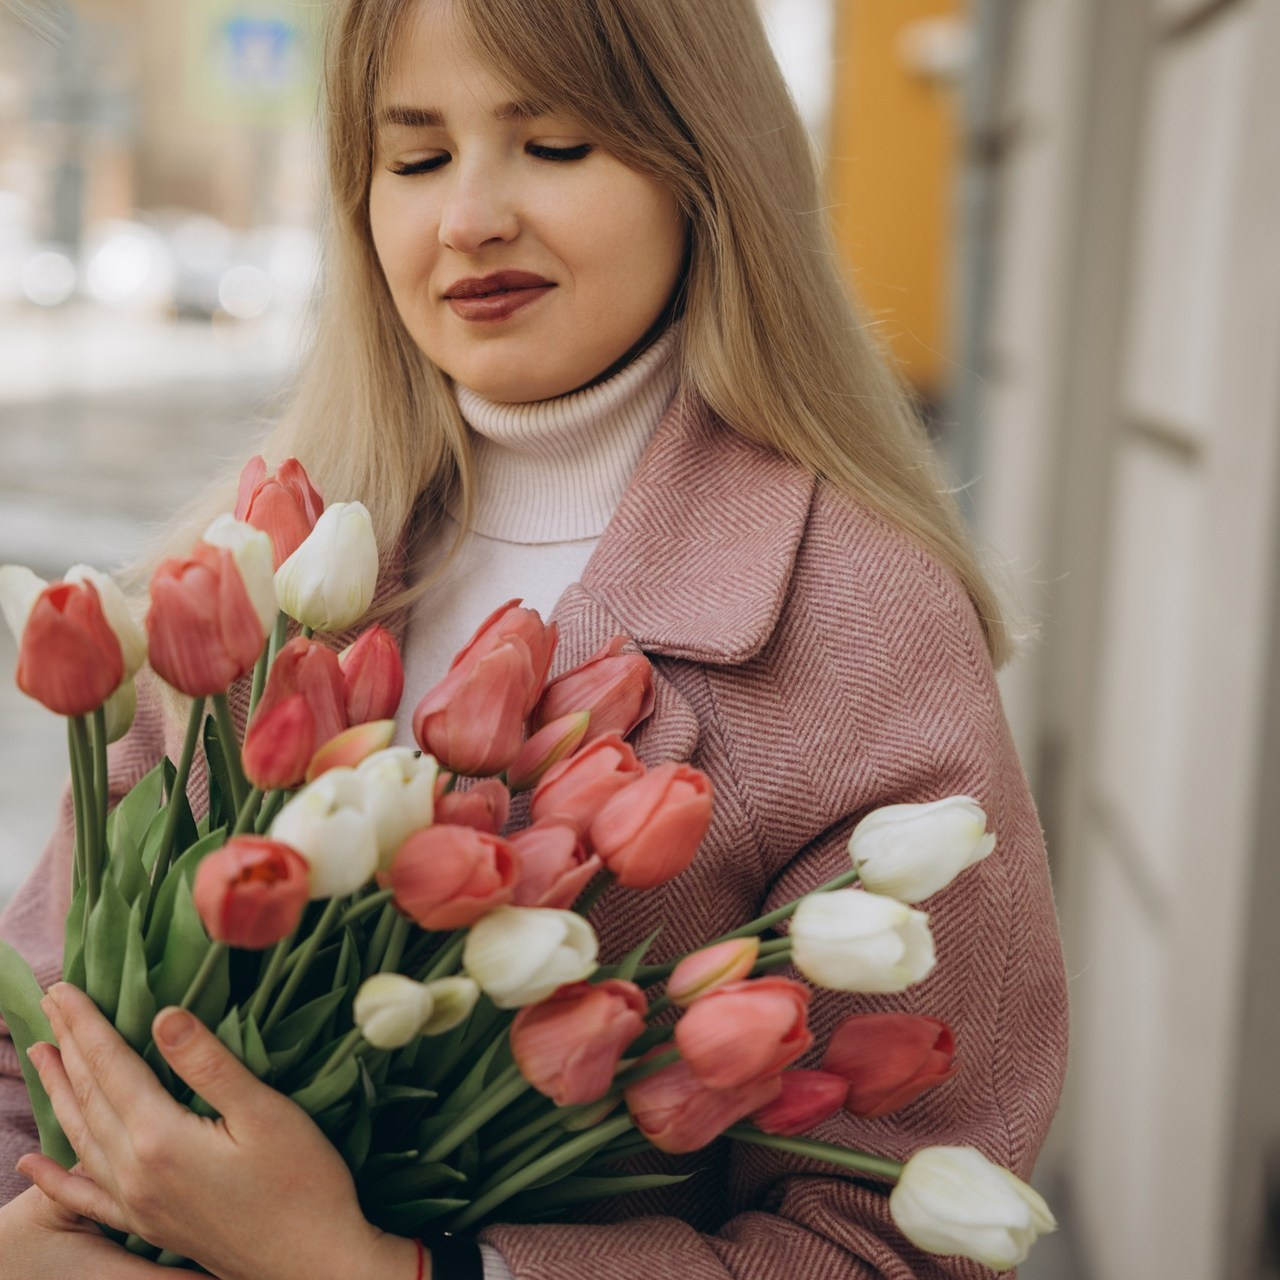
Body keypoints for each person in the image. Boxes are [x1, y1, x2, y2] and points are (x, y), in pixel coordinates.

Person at [0, 0, 1069, 1276]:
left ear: (705, 166)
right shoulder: (271, 555)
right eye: (414, 157)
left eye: (553, 144)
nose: (468, 217)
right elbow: (43, 1009)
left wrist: (384, 1271)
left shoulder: (860, 615)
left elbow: (877, 1243)